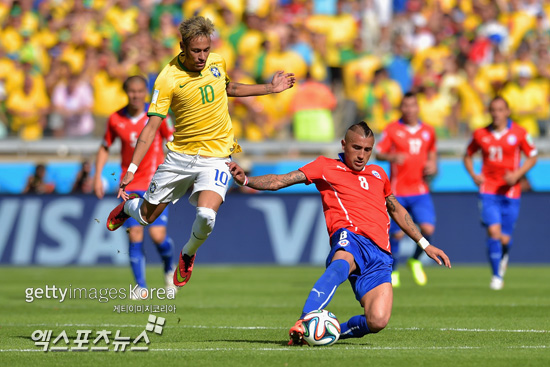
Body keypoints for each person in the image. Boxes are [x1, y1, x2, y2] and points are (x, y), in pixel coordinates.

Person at [105, 16, 295, 289]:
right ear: (182, 46)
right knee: (146, 217)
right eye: (196, 50)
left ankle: (188, 253)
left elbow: (228, 88)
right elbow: (150, 128)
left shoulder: (217, 62)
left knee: (207, 216)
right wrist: (131, 171)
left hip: (217, 157)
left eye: (206, 49)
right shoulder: (168, 77)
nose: (203, 56)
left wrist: (269, 88)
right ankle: (128, 207)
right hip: (180, 157)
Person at [227, 121, 451, 345]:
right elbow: (279, 181)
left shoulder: (379, 173)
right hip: (351, 237)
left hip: (381, 252)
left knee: (378, 320)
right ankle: (304, 321)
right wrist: (245, 180)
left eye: (367, 150)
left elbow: (396, 210)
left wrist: (424, 244)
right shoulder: (325, 167)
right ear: (344, 144)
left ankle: (326, 333)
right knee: (341, 262)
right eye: (356, 148)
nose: (362, 155)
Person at [94, 75, 176, 297]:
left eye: (140, 91)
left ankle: (169, 267)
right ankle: (141, 286)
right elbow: (104, 146)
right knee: (134, 234)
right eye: (132, 91)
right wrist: (97, 175)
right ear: (126, 92)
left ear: (146, 92)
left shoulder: (158, 114)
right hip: (129, 184)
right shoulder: (115, 119)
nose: (136, 95)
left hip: (156, 182)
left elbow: (173, 141)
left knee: (158, 236)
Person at [463, 96, 537, 290]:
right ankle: (497, 276)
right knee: (493, 232)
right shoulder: (481, 134)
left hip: (511, 191)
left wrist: (518, 174)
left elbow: (532, 156)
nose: (496, 114)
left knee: (505, 238)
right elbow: (467, 155)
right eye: (493, 110)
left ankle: (503, 256)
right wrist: (473, 174)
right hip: (488, 190)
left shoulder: (519, 133)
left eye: (500, 110)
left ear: (507, 112)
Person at [375, 92, 438, 287]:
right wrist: (392, 157)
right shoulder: (393, 129)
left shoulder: (428, 130)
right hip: (397, 191)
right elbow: (379, 153)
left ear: (418, 107)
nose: (409, 109)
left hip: (420, 189)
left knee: (428, 228)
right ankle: (393, 271)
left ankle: (415, 259)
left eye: (413, 105)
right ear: (401, 108)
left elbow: (432, 152)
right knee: (397, 234)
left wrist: (433, 164)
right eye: (406, 106)